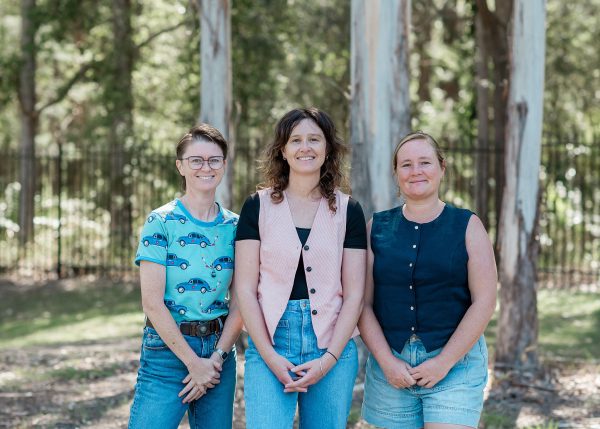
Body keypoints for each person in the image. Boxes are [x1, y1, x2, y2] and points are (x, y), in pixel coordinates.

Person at [235, 107, 367, 428]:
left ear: (327, 149)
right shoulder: (257, 206)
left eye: (314, 139)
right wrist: (268, 355)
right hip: (271, 341)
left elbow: (355, 294)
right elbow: (245, 289)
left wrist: (329, 360)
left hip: (331, 344)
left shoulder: (349, 210)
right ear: (283, 150)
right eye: (296, 140)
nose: (305, 147)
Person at [359, 131, 497, 429]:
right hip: (391, 367)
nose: (416, 171)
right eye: (406, 164)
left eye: (425, 162)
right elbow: (362, 304)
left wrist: (444, 361)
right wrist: (386, 362)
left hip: (455, 364)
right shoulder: (377, 227)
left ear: (442, 168)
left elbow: (485, 301)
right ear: (396, 173)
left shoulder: (468, 225)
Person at [128, 124, 242, 429]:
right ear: (181, 166)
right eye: (196, 160)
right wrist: (194, 365)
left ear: (224, 165)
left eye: (214, 160)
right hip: (167, 352)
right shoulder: (161, 222)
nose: (206, 167)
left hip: (219, 353)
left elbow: (242, 302)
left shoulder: (236, 227)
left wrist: (215, 359)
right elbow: (152, 303)